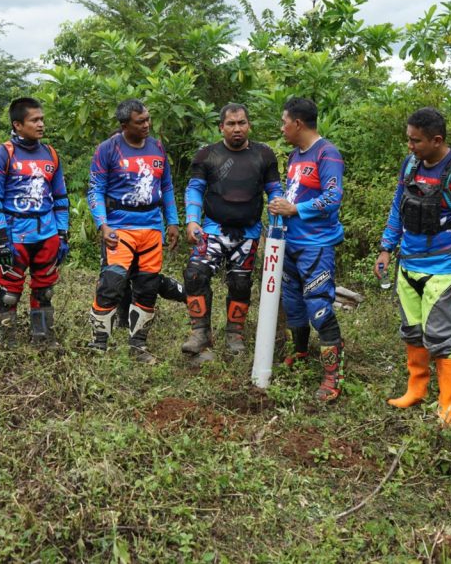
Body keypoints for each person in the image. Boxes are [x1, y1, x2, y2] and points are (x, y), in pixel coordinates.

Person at [375, 107, 451, 426]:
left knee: (441, 337)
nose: (410, 146)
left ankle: (448, 406)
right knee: (412, 331)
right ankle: (416, 390)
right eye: (408, 139)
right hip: (408, 266)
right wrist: (385, 248)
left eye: (416, 141)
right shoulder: (410, 165)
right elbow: (398, 206)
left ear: (437, 140)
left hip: (445, 270)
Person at [180, 103, 282, 362]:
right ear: (221, 127)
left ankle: (235, 334)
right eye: (231, 124)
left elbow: (275, 193)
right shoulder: (206, 155)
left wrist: (276, 229)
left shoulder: (265, 155)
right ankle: (200, 332)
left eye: (242, 123)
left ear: (249, 125)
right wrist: (192, 221)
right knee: (194, 274)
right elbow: (194, 189)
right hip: (212, 229)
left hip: (248, 233)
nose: (237, 129)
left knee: (240, 283)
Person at [86, 99, 179, 363]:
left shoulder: (157, 147)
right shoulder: (108, 149)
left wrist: (172, 221)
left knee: (147, 287)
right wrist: (102, 224)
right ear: (125, 124)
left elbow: (167, 187)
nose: (147, 125)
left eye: (148, 119)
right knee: (111, 284)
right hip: (119, 228)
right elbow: (95, 189)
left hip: (151, 228)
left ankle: (138, 345)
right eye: (141, 122)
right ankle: (98, 344)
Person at [268, 97, 345, 402]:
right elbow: (294, 194)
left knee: (319, 305)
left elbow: (332, 198)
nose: (282, 127)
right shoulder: (295, 155)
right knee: (293, 303)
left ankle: (332, 375)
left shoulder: (328, 153)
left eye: (284, 121)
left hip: (316, 245)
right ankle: (299, 352)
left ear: (298, 123)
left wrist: (295, 209)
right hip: (290, 243)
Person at [0, 97, 70, 350]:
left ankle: (42, 338)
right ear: (18, 125)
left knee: (45, 290)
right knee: (10, 292)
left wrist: (62, 234)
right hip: (15, 235)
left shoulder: (51, 153)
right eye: (35, 120)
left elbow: (61, 198)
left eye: (42, 119)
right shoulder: (2, 154)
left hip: (47, 234)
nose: (41, 124)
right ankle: (8, 342)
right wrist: (1, 239)